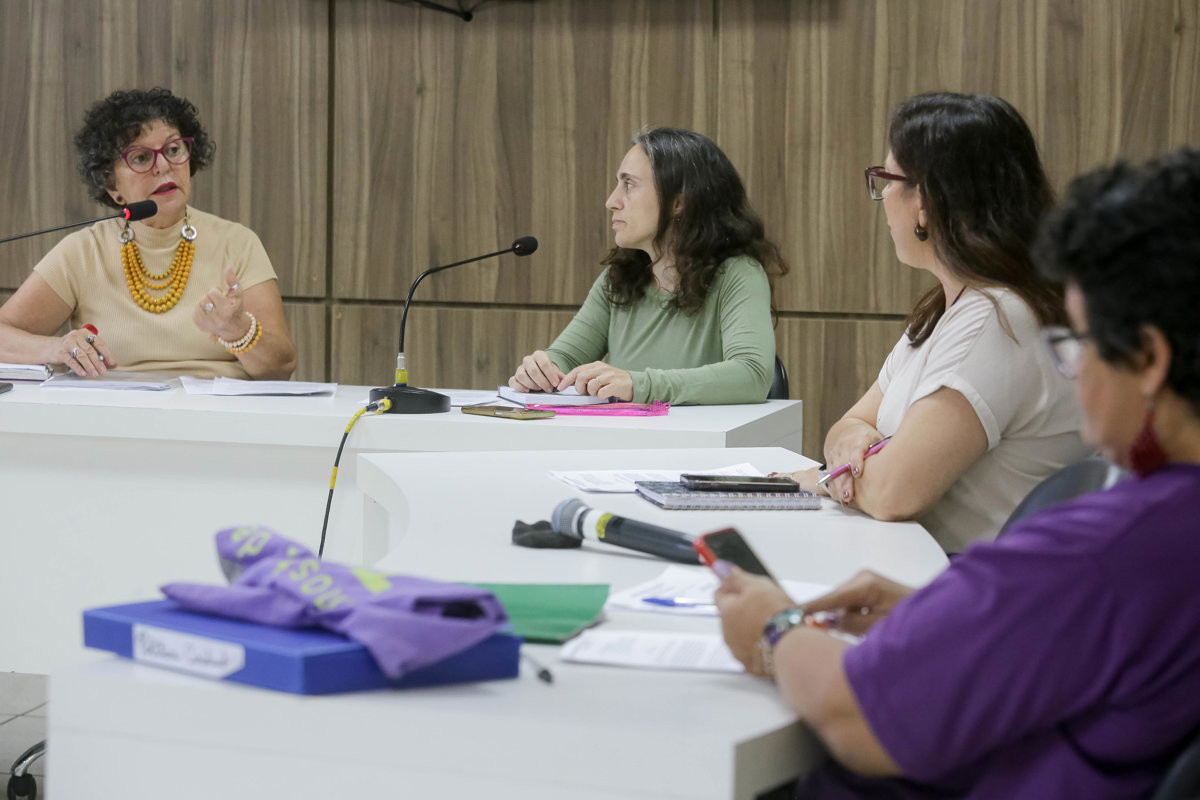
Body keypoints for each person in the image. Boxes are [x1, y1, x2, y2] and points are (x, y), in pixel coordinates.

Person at [715, 147, 1200, 799]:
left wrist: (776, 630)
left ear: (1147, 360)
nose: (1072, 374)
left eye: (1076, 345)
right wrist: (944, 617)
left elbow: (853, 713)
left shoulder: (1105, 548)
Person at [779, 92, 1090, 551]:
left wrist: (829, 478)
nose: (882, 195)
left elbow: (892, 492)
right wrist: (854, 444)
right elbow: (850, 422)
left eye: (888, 178)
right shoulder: (950, 306)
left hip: (974, 586)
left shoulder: (997, 318)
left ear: (924, 201)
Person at [0, 88, 296, 380]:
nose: (164, 166)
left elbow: (282, 366)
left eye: (173, 149)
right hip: (114, 422)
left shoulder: (238, 244)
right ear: (112, 185)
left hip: (217, 420)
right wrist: (57, 348)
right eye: (141, 158)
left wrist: (239, 330)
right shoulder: (84, 252)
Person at [507, 127, 786, 405]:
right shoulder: (617, 279)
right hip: (625, 443)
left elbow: (751, 375)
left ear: (678, 203)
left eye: (628, 185)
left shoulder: (738, 274)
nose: (611, 202)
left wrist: (640, 384)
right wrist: (540, 371)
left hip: (698, 446)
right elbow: (565, 358)